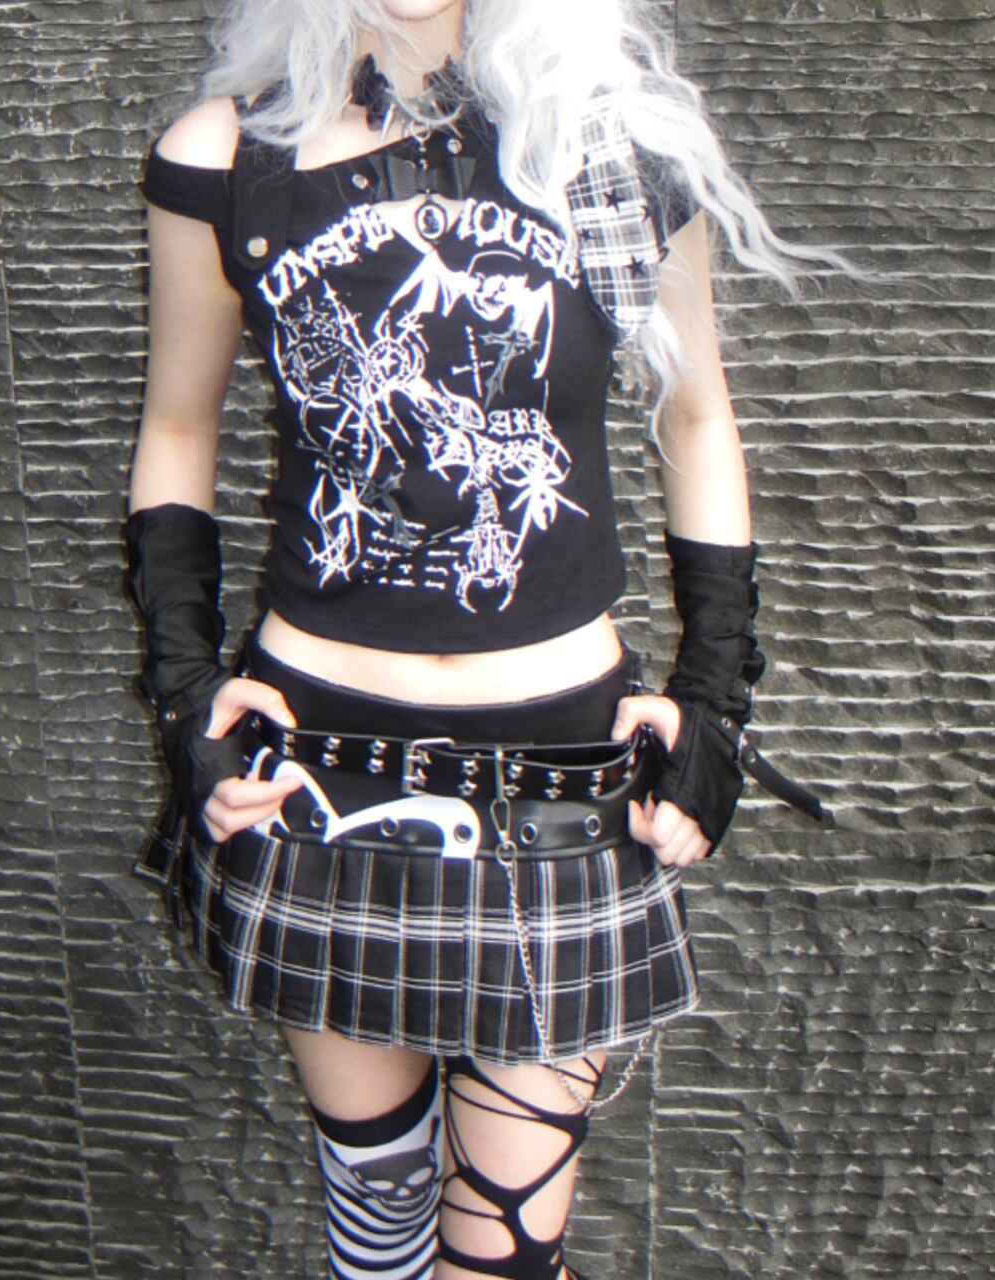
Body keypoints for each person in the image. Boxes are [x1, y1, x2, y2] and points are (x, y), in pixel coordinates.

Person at [126, 2, 832, 1277]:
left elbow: (696, 418)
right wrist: (184, 691)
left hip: (555, 774)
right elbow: (178, 425)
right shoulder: (229, 155)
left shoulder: (600, 144)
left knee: (502, 1254)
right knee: (374, 1220)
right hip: (318, 769)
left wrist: (716, 696)